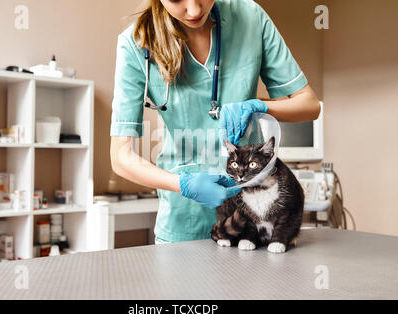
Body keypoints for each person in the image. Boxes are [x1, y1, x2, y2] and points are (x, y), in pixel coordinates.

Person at [110, 0, 321, 244]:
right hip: (183, 220)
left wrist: (260, 105)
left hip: (254, 219)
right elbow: (120, 157)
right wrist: (182, 184)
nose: (194, 10)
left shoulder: (250, 17)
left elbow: (309, 106)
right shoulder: (135, 44)